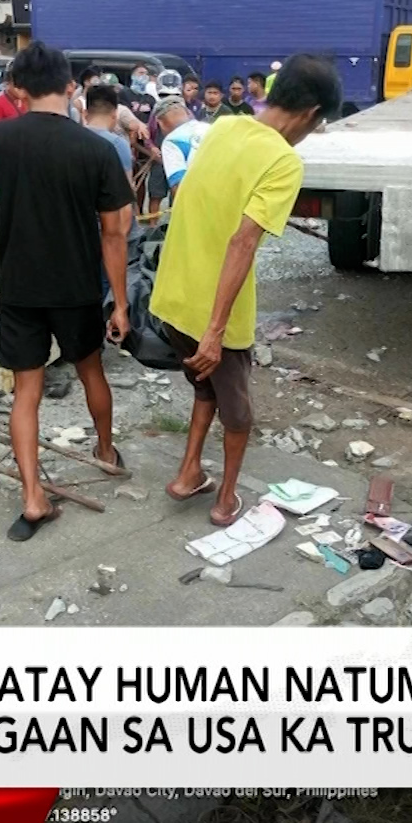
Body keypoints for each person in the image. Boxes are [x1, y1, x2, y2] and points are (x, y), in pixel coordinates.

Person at [0, 43, 134, 541]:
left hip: (19, 288)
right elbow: (115, 234)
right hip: (76, 289)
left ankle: (32, 497)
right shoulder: (97, 148)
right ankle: (106, 452)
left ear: (17, 90)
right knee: (90, 370)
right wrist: (122, 303)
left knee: (27, 391)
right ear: (71, 87)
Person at [149, 54, 342, 528]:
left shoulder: (223, 129)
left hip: (173, 294)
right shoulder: (281, 159)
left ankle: (189, 474)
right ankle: (225, 501)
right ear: (310, 113)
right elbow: (242, 241)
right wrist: (216, 331)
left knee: (205, 387)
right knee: (239, 415)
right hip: (214, 309)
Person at [155, 97, 209, 203]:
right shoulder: (210, 128)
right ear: (188, 113)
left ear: (160, 123)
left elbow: (179, 185)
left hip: (200, 203)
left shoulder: (172, 141)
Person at [80, 83, 135, 178]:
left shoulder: (69, 139)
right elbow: (126, 185)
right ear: (114, 114)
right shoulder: (118, 144)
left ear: (85, 113)